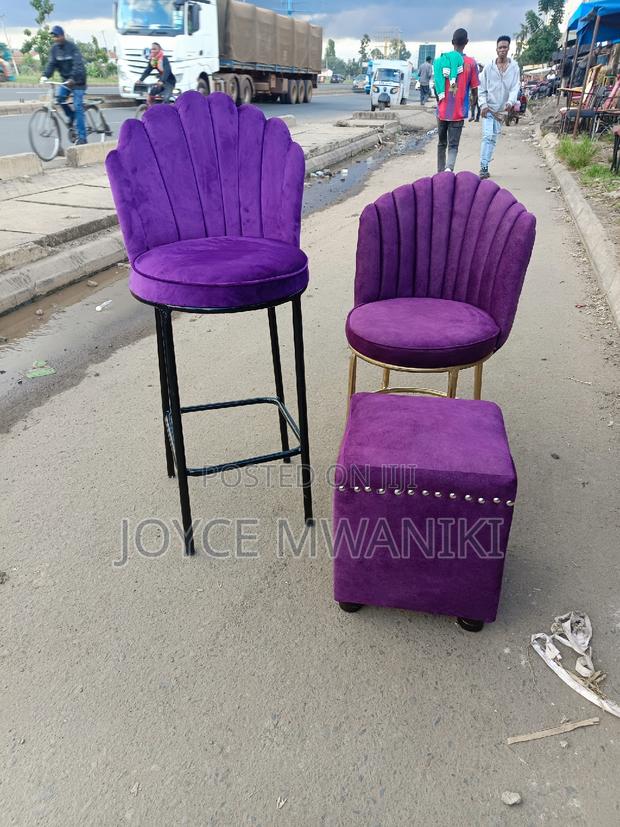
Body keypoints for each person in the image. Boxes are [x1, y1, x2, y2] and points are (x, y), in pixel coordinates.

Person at [434, 28, 479, 173]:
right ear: (466, 42)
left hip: (442, 111)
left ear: (452, 42)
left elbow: (436, 85)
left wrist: (439, 102)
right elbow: (474, 89)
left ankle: (441, 172)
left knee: (441, 144)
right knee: (453, 146)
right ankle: (449, 170)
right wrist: (473, 105)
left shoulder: (441, 61)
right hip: (459, 111)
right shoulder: (471, 63)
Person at [478, 35, 521, 179]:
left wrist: (511, 102)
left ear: (508, 49)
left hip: (502, 110)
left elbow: (515, 87)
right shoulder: (489, 68)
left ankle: (486, 164)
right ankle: (483, 167)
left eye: (505, 47)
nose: (502, 50)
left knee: (494, 138)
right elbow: (481, 88)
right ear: (496, 49)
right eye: (500, 47)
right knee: (487, 136)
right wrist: (483, 104)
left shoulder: (514, 68)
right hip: (489, 108)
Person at [41, 26, 87, 145]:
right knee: (60, 99)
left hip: (78, 81)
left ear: (63, 35)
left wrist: (73, 78)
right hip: (66, 81)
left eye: (57, 35)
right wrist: (45, 75)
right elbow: (51, 64)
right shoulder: (54, 49)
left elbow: (78, 65)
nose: (55, 38)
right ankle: (72, 116)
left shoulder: (72, 48)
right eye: (54, 36)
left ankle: (82, 137)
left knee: (78, 106)